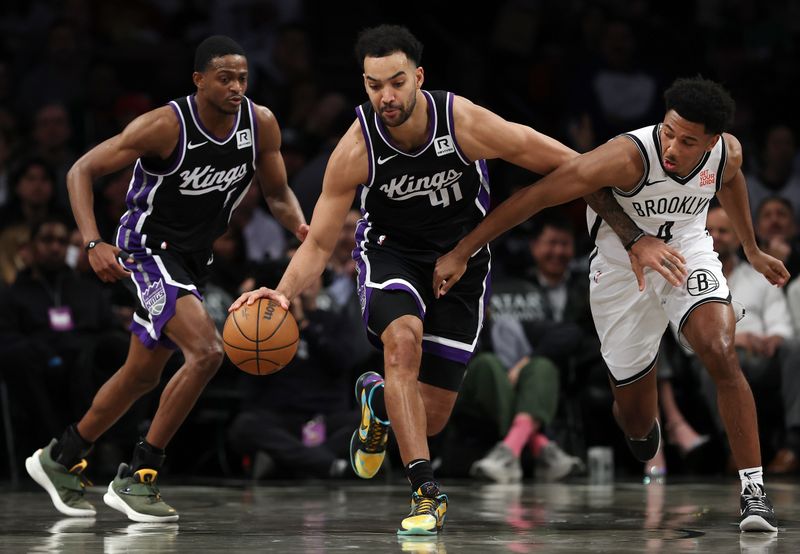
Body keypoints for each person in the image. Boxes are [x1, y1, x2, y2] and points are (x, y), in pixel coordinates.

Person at [230, 24, 681, 535]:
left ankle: (376, 403)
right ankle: (426, 492)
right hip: (391, 256)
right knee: (402, 344)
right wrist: (284, 294)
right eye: (374, 85)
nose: (386, 96)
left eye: (396, 82)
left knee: (432, 416)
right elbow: (316, 243)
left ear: (419, 77)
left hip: (463, 263)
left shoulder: (462, 122)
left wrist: (631, 234)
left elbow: (571, 167)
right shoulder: (356, 147)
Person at [434, 76, 787, 532]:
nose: (673, 147)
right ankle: (638, 416)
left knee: (720, 351)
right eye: (668, 131)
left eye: (687, 141)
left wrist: (752, 248)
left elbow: (730, 179)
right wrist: (462, 251)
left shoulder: (727, 152)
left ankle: (754, 493)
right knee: (638, 426)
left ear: (712, 141)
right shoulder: (626, 157)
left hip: (686, 251)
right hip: (622, 273)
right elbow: (536, 197)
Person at [25, 35, 307, 522]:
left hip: (194, 259)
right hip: (146, 250)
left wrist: (303, 229)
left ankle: (61, 457)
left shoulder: (259, 124)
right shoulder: (164, 126)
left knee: (142, 375)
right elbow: (81, 170)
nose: (236, 86)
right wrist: (94, 242)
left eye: (242, 77)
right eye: (224, 78)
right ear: (198, 80)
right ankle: (139, 476)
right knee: (207, 351)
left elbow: (277, 192)